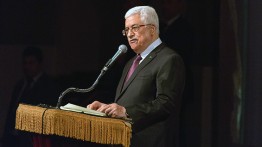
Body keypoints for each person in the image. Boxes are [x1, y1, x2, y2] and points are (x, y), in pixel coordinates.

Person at [87, 6, 185, 147]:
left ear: (152, 29)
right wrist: (107, 109)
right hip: (124, 140)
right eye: (126, 30)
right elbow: (127, 103)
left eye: (134, 27)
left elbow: (166, 103)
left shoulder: (169, 59)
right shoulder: (130, 63)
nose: (129, 34)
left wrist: (126, 112)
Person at [2, 46, 61, 147]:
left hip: (33, 138)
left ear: (39, 64)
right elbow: (12, 111)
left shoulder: (48, 85)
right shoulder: (21, 85)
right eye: (25, 63)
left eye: (31, 63)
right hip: (15, 137)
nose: (27, 67)